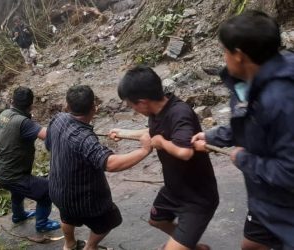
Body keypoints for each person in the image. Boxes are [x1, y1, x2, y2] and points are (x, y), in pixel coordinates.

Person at [191, 10, 294, 250]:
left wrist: (244, 159)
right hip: (268, 201)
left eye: (225, 51)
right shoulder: (253, 83)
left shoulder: (282, 100)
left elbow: (290, 172)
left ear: (238, 55)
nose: (224, 57)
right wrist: (212, 136)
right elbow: (252, 123)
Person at [111, 66, 219, 250]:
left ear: (143, 102)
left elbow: (185, 152)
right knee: (157, 220)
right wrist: (124, 132)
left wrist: (161, 143)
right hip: (174, 190)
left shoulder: (179, 113)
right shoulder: (157, 111)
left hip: (197, 198)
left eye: (132, 106)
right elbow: (154, 132)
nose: (134, 110)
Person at [46, 85, 152, 250]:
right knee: (110, 220)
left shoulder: (57, 119)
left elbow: (50, 145)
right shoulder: (85, 139)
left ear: (67, 106)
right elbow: (110, 163)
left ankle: (69, 245)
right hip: (83, 200)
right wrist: (144, 150)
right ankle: (91, 247)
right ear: (94, 108)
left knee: (67, 216)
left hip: (57, 191)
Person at [0, 86, 60, 232]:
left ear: (12, 101)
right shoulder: (23, 123)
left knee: (17, 190)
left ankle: (18, 216)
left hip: (0, 170)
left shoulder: (3, 114)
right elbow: (50, 135)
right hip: (13, 175)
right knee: (47, 190)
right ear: (31, 105)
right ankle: (42, 224)